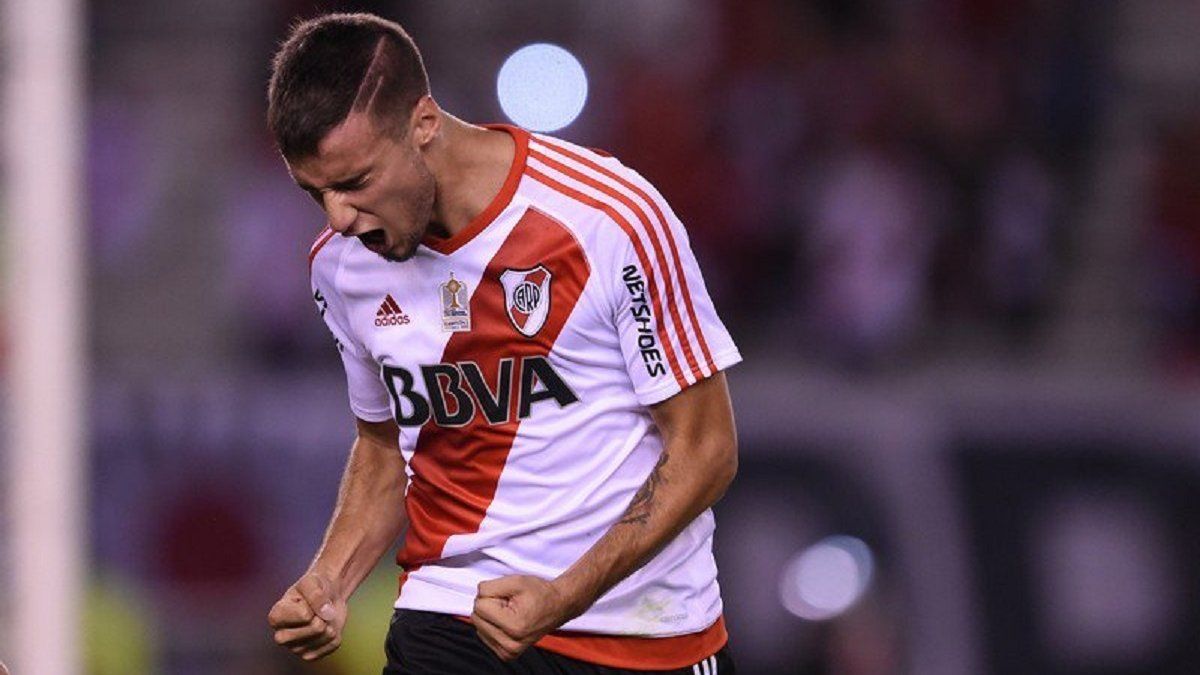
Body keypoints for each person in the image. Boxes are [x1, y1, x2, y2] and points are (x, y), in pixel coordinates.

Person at [264, 12, 741, 674]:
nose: (338, 217)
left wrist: (563, 596)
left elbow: (706, 449)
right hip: (453, 619)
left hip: (643, 630)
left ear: (423, 123)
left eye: (354, 183)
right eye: (314, 192)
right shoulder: (341, 265)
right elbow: (385, 443)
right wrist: (329, 580)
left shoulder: (609, 218)